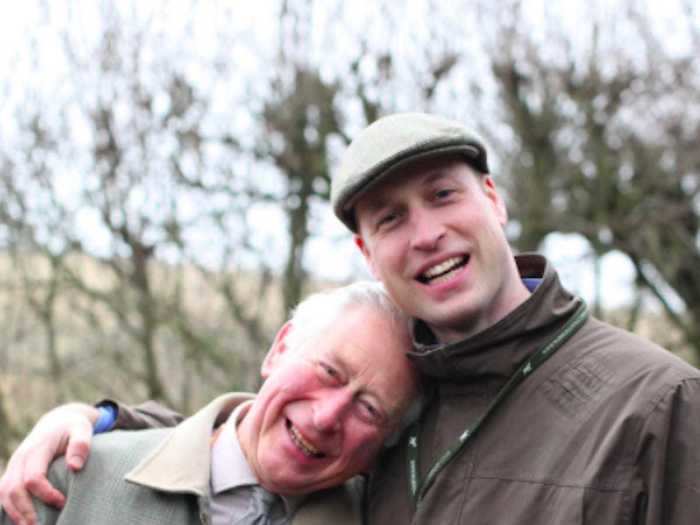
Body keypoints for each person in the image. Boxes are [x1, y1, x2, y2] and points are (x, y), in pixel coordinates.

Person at [3, 112, 700, 524]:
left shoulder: (657, 403)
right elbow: (252, 450)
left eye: (443, 195)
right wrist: (96, 426)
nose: (425, 233)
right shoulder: (405, 404)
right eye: (392, 218)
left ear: (494, 199)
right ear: (368, 253)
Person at [0, 281, 419, 525]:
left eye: (369, 409)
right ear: (281, 348)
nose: (327, 417)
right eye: (329, 371)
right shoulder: (76, 482)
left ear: (384, 444)